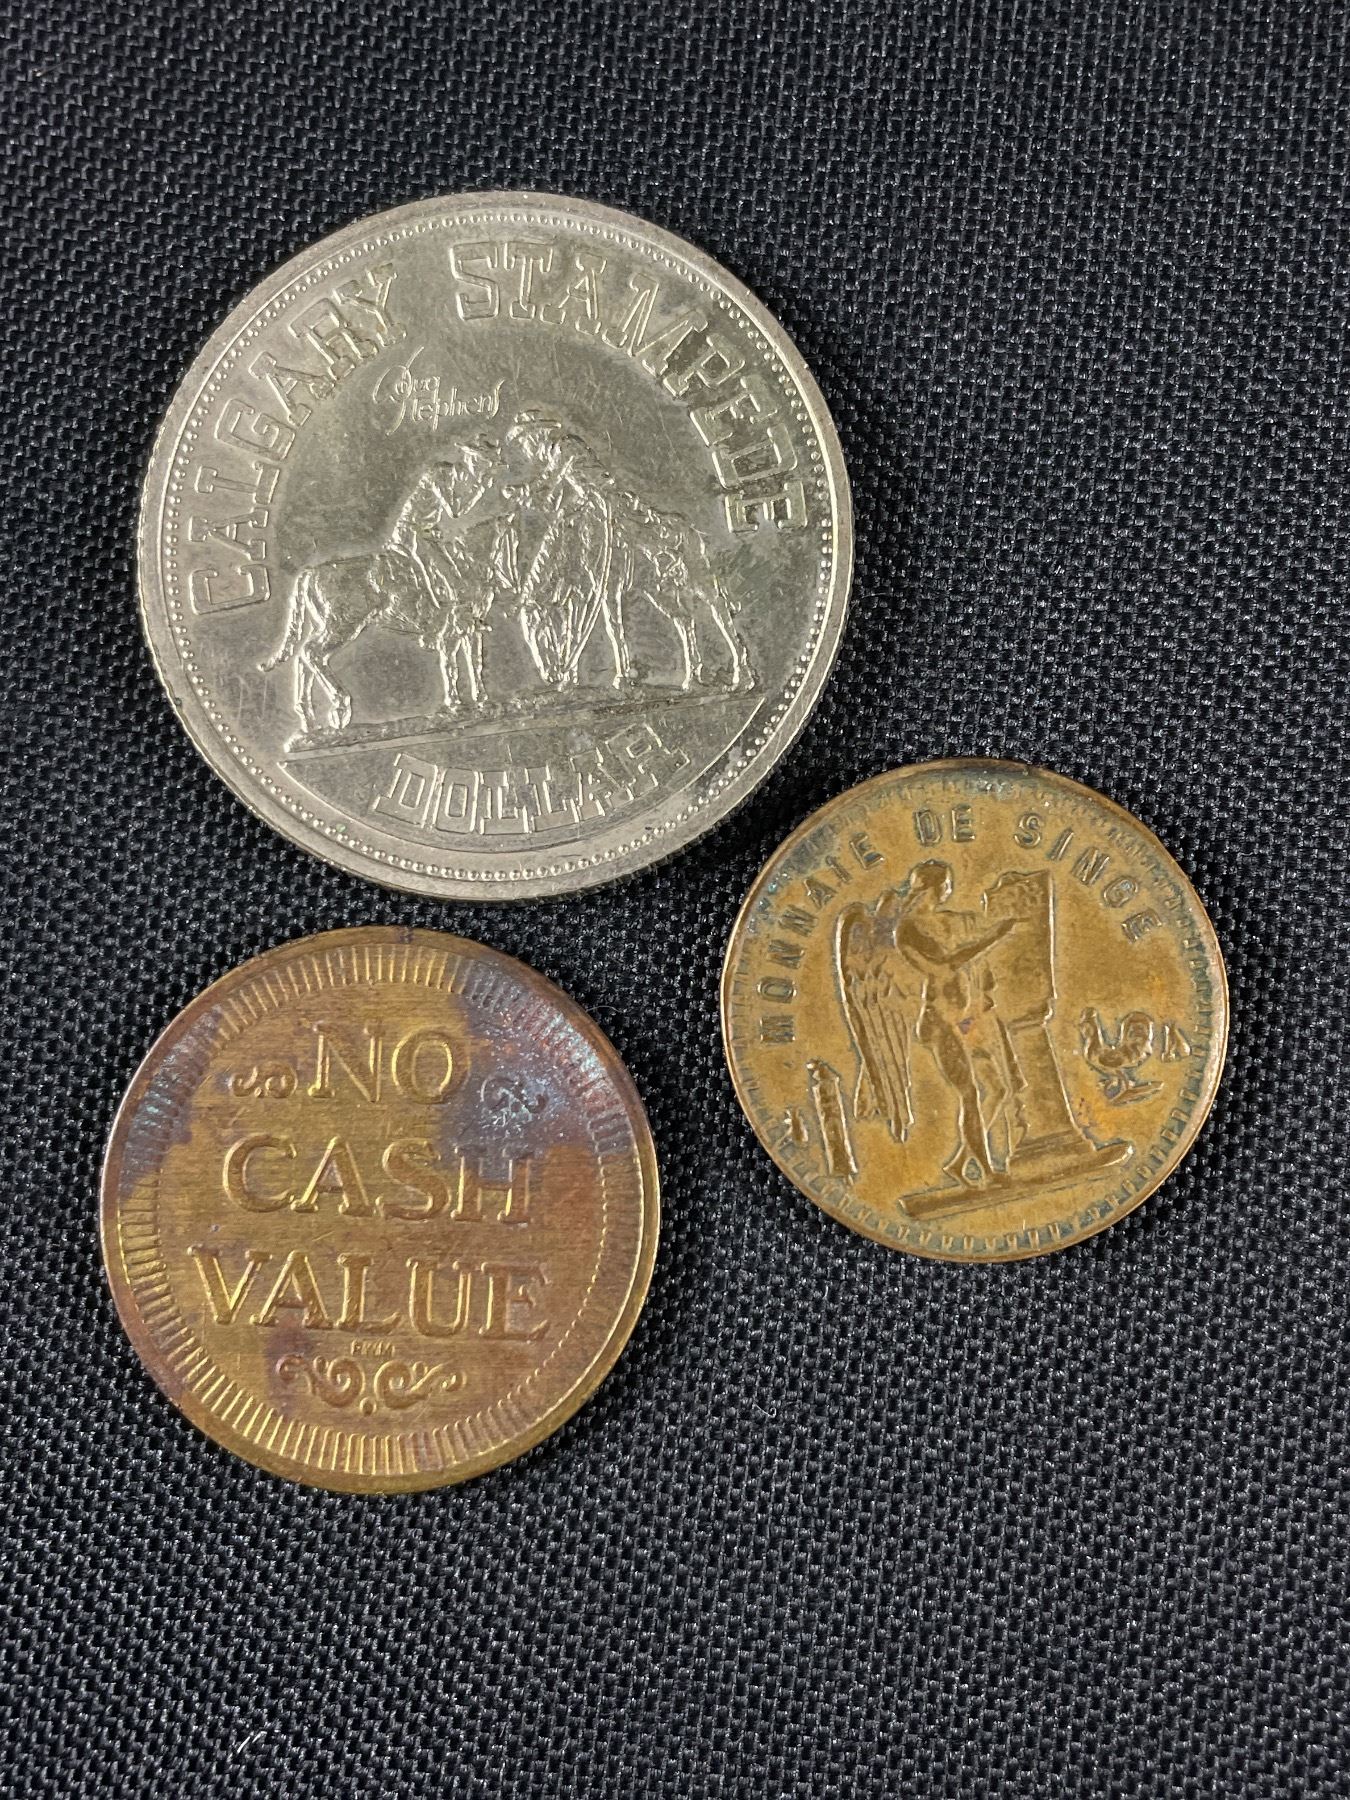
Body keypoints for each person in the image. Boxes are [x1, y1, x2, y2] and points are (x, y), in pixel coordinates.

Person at [893, 860, 1020, 1187]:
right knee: (970, 1093)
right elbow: (943, 969)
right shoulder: (907, 930)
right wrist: (993, 937)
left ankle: (960, 1162)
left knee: (998, 1089)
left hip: (965, 1020)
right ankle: (986, 1172)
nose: (949, 889)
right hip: (941, 1021)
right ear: (933, 886)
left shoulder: (944, 920)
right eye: (947, 883)